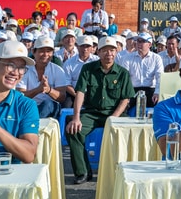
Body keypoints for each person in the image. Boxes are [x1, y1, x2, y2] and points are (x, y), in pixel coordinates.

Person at [65, 36, 134, 184]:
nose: (109, 53)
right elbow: (80, 92)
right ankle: (83, 172)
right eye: (105, 50)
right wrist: (76, 116)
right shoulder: (88, 69)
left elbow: (125, 99)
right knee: (73, 129)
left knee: (124, 134)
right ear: (98, 52)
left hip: (115, 113)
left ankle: (121, 171)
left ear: (116, 52)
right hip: (92, 113)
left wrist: (113, 118)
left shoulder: (123, 73)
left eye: (112, 50)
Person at [17, 36, 70, 118]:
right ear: (33, 52)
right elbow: (20, 96)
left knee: (47, 104)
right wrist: (38, 90)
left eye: (49, 51)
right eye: (41, 51)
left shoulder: (58, 70)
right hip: (29, 106)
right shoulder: (25, 69)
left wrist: (48, 90)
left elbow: (62, 97)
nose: (45, 55)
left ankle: (34, 126)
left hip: (50, 108)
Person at [121, 32, 163, 104]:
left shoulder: (156, 58)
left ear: (149, 44)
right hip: (133, 90)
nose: (138, 44)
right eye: (138, 41)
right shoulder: (127, 58)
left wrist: (157, 92)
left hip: (150, 90)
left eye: (142, 41)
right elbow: (124, 78)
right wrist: (126, 94)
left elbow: (160, 77)